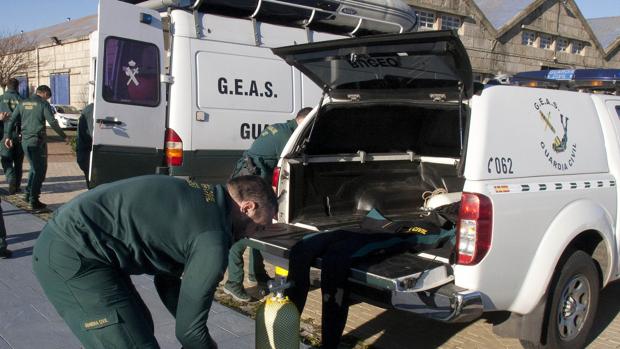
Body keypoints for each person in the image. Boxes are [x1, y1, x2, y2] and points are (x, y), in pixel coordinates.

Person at [33, 174, 277, 349]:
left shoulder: (207, 202)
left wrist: (191, 325)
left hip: (91, 250)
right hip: (73, 255)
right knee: (131, 341)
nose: (252, 235)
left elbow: (167, 281)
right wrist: (200, 339)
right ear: (248, 207)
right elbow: (189, 334)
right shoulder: (212, 240)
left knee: (139, 325)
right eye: (260, 226)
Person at [224, 107, 312, 301]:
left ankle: (258, 275)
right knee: (243, 235)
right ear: (303, 122)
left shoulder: (280, 128)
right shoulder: (288, 136)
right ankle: (233, 283)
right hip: (249, 184)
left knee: (258, 229)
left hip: (247, 177)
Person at [3, 85, 67, 211]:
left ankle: (28, 195)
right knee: (39, 170)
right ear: (44, 93)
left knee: (33, 168)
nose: (48, 99)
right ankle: (34, 200)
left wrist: (8, 137)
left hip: (25, 142)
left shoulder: (23, 103)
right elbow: (52, 122)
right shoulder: (43, 104)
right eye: (48, 97)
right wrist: (63, 136)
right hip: (38, 142)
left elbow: (12, 120)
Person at [0, 78, 24, 195]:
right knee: (18, 161)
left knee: (6, 159)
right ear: (17, 87)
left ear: (7, 86)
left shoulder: (1, 99)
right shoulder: (22, 100)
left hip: (5, 133)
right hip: (19, 133)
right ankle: (17, 186)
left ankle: (11, 179)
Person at [76, 103, 93, 187]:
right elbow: (93, 134)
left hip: (85, 152)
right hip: (87, 153)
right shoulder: (93, 109)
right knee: (93, 186)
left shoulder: (89, 108)